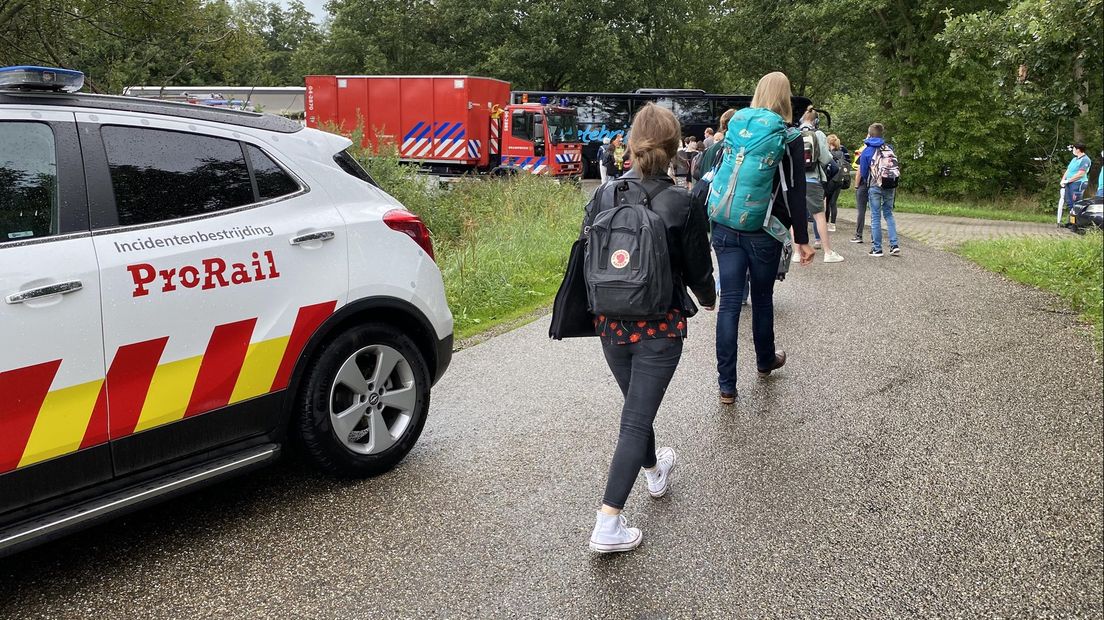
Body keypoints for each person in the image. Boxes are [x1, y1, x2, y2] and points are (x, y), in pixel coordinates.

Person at [575, 103, 716, 553]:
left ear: (631, 146)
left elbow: (585, 255)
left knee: (638, 407)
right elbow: (697, 268)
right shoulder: (683, 201)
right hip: (659, 327)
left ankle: (655, 472)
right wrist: (710, 298)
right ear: (675, 148)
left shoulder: (603, 194)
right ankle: (608, 522)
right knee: (635, 419)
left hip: (610, 323)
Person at [713, 72, 814, 405]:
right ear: (785, 98)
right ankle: (764, 360)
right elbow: (795, 191)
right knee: (762, 298)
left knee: (728, 303)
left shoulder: (738, 126)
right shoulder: (789, 135)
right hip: (764, 230)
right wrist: (802, 238)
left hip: (725, 226)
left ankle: (727, 385)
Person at [796, 106, 844, 263]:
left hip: (795, 180)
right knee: (819, 216)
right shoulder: (818, 134)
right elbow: (825, 158)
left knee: (796, 216)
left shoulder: (794, 133)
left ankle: (797, 253)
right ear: (816, 120)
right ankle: (828, 252)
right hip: (812, 179)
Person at [859, 123, 900, 256]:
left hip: (875, 185)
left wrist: (868, 181)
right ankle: (894, 245)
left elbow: (864, 172)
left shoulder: (867, 151)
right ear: (882, 134)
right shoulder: (889, 148)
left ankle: (877, 248)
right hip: (890, 183)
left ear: (869, 134)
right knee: (888, 214)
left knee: (875, 216)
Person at [1059, 142, 1092, 225]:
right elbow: (1068, 170)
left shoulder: (1085, 159)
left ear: (1078, 150)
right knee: (1069, 203)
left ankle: (1076, 224)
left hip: (1077, 183)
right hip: (1069, 183)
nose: (1073, 150)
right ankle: (1071, 222)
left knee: (1076, 203)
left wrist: (1068, 180)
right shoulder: (1075, 159)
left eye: (1074, 149)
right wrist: (1063, 180)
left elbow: (1080, 174)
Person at [824, 134, 850, 232]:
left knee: (827, 201)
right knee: (833, 203)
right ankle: (833, 224)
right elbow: (848, 163)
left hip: (830, 180)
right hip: (840, 180)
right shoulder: (842, 152)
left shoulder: (828, 153)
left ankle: (826, 222)